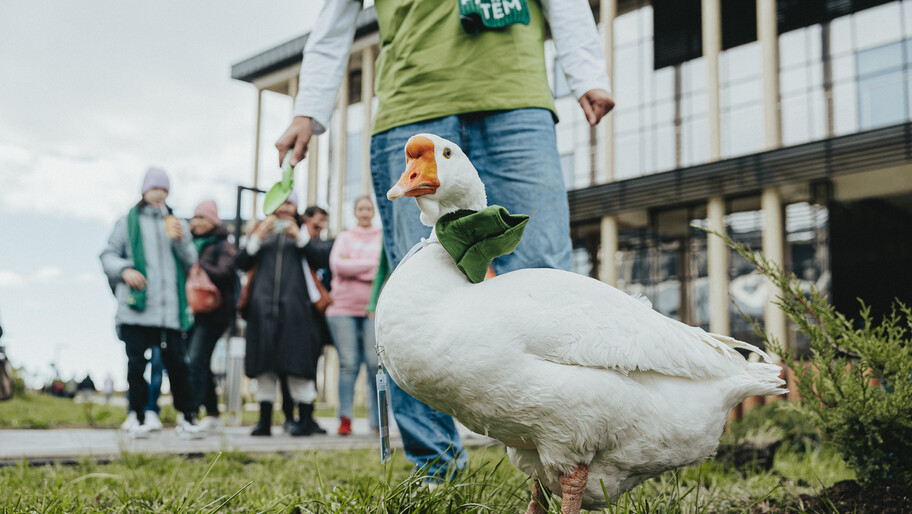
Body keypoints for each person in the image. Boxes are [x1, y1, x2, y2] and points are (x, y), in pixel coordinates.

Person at [276, 0, 614, 478]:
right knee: (416, 294)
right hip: (414, 99)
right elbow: (334, 17)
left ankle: (573, 456)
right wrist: (309, 108)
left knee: (547, 272)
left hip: (514, 95)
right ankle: (436, 469)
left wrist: (587, 72)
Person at [99, 167, 204, 438]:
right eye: (155, 188)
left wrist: (181, 240)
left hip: (169, 310)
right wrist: (125, 270)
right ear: (144, 191)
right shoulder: (127, 221)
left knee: (178, 364)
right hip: (137, 308)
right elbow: (108, 255)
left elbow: (191, 261)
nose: (160, 193)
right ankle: (137, 414)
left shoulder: (176, 222)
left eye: (164, 189)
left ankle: (187, 416)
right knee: (136, 364)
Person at [236, 191, 331, 436]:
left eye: (289, 203)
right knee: (264, 365)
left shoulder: (305, 231)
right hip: (262, 310)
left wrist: (298, 236)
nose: (284, 208)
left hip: (297, 311)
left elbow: (321, 258)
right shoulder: (262, 230)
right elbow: (241, 261)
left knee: (298, 364)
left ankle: (306, 419)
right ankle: (264, 420)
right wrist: (258, 236)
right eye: (280, 202)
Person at [325, 196, 382, 436]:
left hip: (372, 309)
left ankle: (377, 421)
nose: (365, 212)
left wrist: (354, 265)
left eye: (368, 208)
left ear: (373, 211)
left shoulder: (381, 237)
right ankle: (345, 419)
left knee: (373, 364)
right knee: (348, 364)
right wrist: (369, 268)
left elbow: (383, 266)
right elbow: (338, 266)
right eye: (360, 208)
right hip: (342, 309)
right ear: (355, 211)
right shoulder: (344, 237)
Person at [279, 204, 330, 433]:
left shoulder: (316, 243)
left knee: (308, 364)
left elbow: (321, 258)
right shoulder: (289, 241)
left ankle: (307, 417)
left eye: (322, 224)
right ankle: (290, 415)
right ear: (305, 220)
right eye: (315, 222)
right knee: (288, 363)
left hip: (313, 314)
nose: (319, 227)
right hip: (291, 311)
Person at [187, 200, 237, 432]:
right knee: (200, 362)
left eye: (202, 218)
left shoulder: (222, 246)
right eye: (194, 217)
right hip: (192, 312)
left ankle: (191, 413)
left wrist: (201, 269)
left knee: (197, 359)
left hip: (215, 313)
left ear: (213, 221)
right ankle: (213, 412)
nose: (196, 222)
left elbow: (227, 273)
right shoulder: (189, 244)